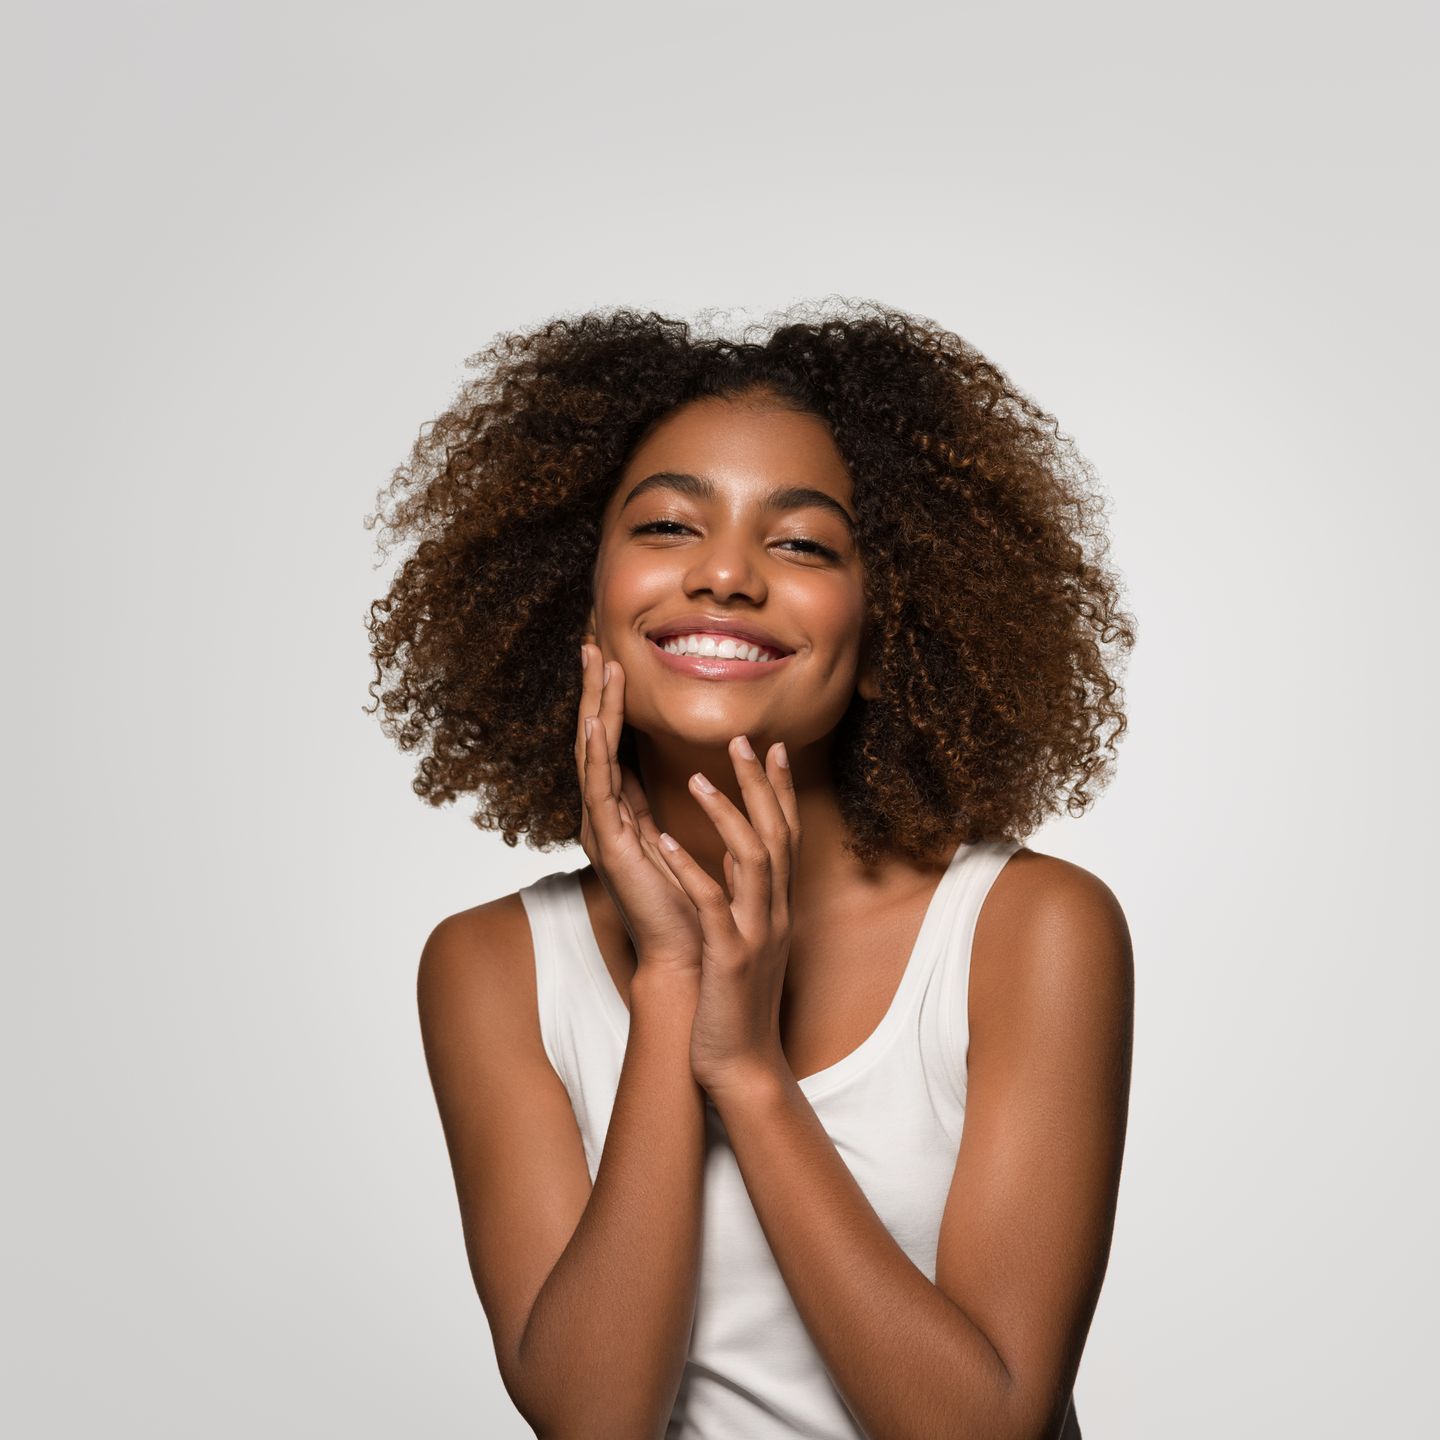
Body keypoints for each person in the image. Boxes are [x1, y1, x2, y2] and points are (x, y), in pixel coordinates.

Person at [366, 299, 1136, 1439]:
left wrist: (753, 1073)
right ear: (579, 604)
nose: (726, 574)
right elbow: (592, 1419)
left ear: (883, 639)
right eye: (669, 527)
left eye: (802, 542)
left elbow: (988, 1426)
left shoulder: (1031, 931)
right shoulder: (489, 967)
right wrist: (674, 978)